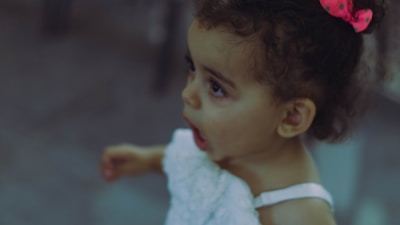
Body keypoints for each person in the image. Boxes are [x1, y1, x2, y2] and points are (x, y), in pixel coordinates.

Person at [99, 0, 386, 224]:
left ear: (291, 117)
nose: (188, 94)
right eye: (192, 68)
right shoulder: (235, 142)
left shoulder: (301, 214)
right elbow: (195, 167)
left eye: (216, 87)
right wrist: (149, 160)